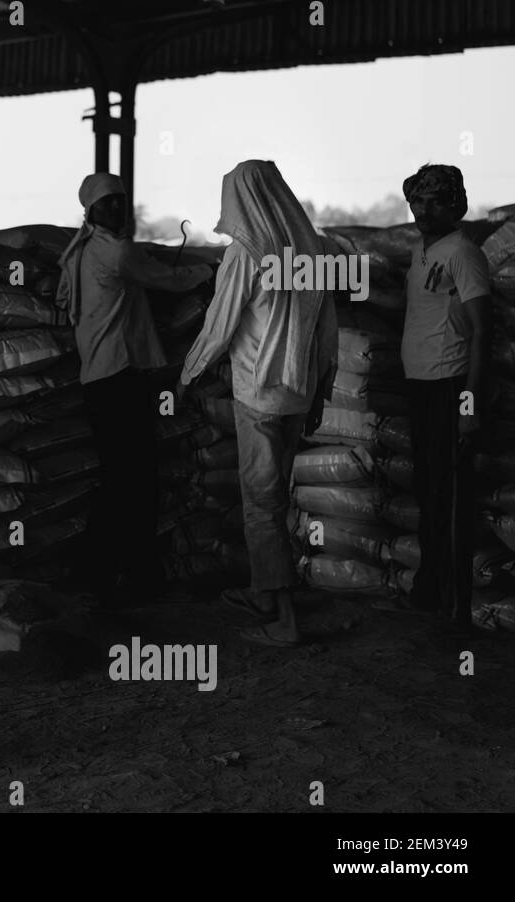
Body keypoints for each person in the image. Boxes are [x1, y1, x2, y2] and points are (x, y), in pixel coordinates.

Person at [180, 160, 338, 648]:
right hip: (297, 392)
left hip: (258, 394)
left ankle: (284, 619)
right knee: (276, 496)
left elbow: (219, 324)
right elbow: (327, 332)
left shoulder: (247, 254)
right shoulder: (312, 249)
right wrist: (321, 390)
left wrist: (188, 374)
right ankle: (264, 593)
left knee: (261, 506)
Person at [58, 172, 213, 606]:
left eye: (120, 202)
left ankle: (104, 570)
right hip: (119, 377)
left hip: (100, 378)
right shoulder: (118, 252)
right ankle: (130, 572)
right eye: (107, 204)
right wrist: (207, 270)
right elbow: (168, 279)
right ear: (90, 211)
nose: (116, 210)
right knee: (136, 479)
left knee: (121, 477)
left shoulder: (86, 252)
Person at [379, 164, 490, 633]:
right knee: (428, 492)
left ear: (455, 205)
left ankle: (456, 606)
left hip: (449, 385)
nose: (423, 210)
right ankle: (429, 593)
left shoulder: (463, 253)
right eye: (417, 202)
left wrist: (469, 406)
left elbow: (483, 331)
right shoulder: (422, 252)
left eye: (434, 202)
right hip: (420, 385)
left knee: (450, 500)